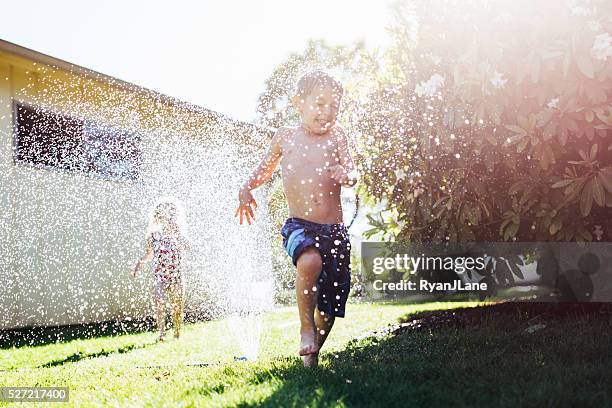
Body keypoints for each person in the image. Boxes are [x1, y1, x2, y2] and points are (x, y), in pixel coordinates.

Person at [236, 70, 357, 367]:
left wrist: (348, 176)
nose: (327, 111)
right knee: (310, 261)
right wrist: (246, 188)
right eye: (320, 103)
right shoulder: (286, 137)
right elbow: (265, 168)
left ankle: (311, 352)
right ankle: (305, 327)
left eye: (334, 106)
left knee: (330, 308)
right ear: (298, 103)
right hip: (300, 226)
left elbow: (353, 170)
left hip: (335, 232)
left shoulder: (338, 134)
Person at [133, 198, 189, 341]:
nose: (167, 219)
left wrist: (178, 234)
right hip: (160, 276)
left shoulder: (177, 232)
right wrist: (139, 265)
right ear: (158, 217)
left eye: (169, 215)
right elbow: (149, 253)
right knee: (159, 302)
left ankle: (177, 333)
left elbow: (188, 247)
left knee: (177, 306)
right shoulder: (153, 235)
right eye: (163, 215)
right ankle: (161, 333)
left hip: (176, 276)